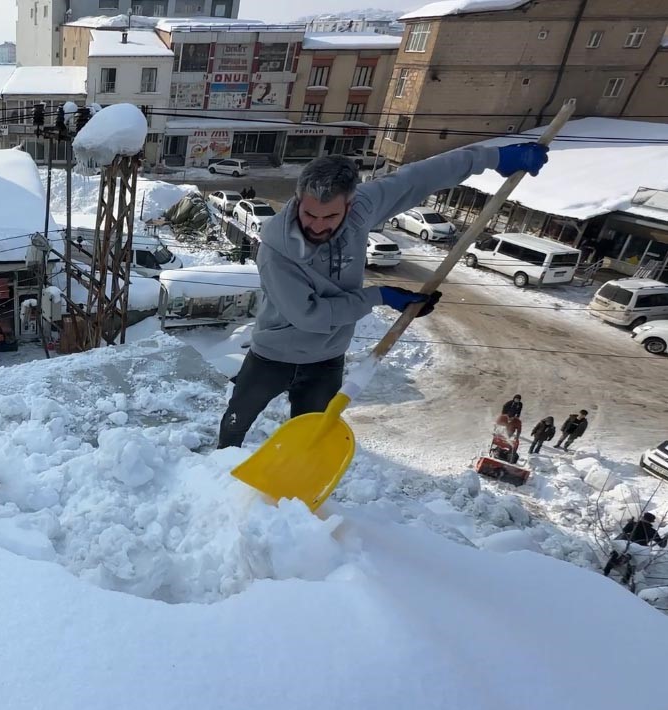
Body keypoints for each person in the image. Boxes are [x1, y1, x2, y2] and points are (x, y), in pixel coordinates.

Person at [216, 141, 550, 448]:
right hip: (273, 355)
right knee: (237, 421)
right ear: (298, 200)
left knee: (312, 436)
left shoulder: (363, 208)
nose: (317, 226)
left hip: (326, 359)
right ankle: (217, 473)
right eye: (309, 214)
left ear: (349, 203)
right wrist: (380, 297)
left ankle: (292, 497)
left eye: (330, 216)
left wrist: (493, 158)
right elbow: (309, 316)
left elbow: (419, 177)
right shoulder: (277, 249)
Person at [603, 513, 666, 583]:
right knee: (633, 563)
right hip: (639, 550)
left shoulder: (634, 524)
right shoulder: (653, 531)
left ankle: (605, 572)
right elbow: (662, 545)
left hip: (628, 544)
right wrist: (665, 538)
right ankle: (625, 581)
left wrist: (630, 523)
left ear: (643, 518)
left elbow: (624, 531)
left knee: (617, 553)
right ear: (651, 522)